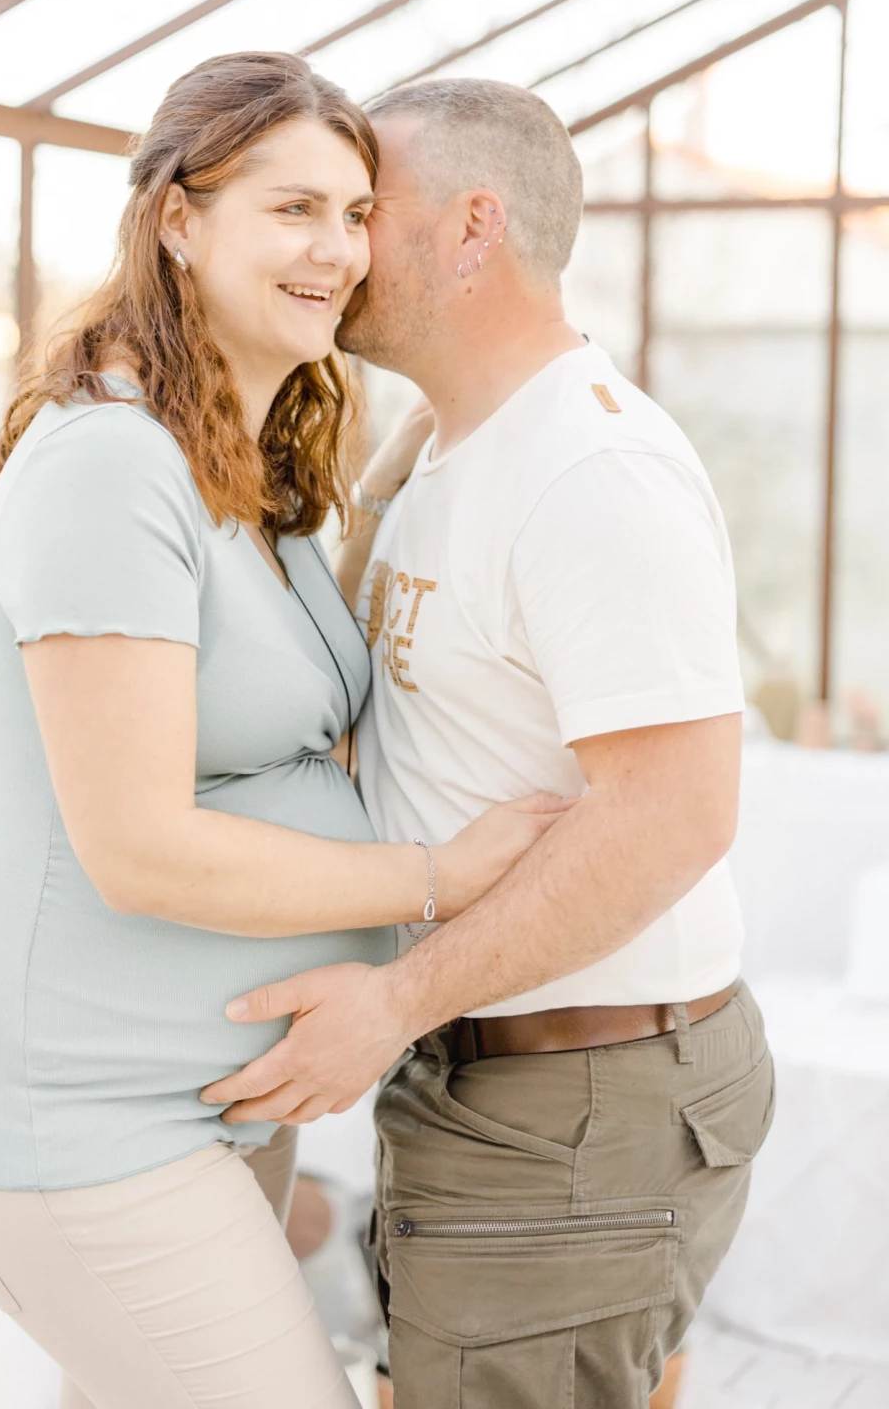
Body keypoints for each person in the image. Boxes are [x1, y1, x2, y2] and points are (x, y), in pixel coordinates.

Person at [0, 53, 568, 1409]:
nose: (336, 249)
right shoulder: (112, 464)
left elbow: (286, 707)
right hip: (82, 1123)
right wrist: (441, 878)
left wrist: (426, 458)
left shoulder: (241, 465)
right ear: (178, 220)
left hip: (215, 1102)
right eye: (292, 209)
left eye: (355, 213)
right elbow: (140, 848)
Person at [203, 77, 776, 1408]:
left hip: (573, 1100)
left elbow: (677, 814)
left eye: (367, 210)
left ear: (473, 228)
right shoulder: (451, 450)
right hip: (505, 1084)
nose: (338, 246)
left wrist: (394, 1002)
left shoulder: (588, 471)